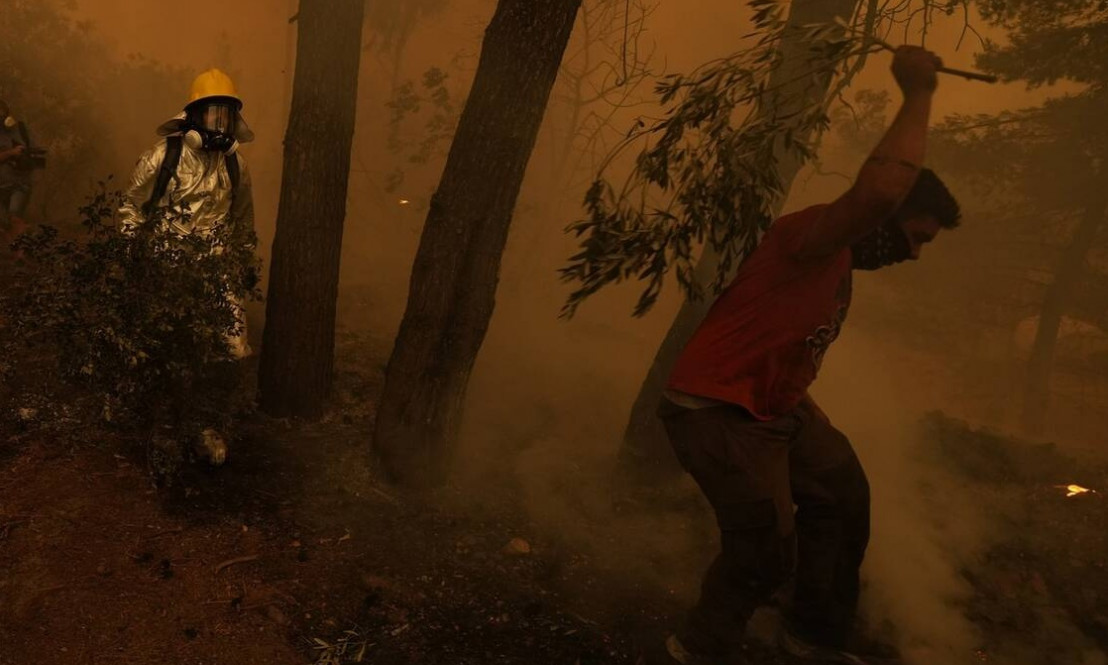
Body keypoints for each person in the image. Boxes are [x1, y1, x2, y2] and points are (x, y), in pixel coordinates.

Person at [660, 45, 961, 665]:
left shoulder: (840, 267)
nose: (912, 255)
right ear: (893, 214)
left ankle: (811, 639)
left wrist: (804, 407)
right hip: (714, 414)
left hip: (772, 413)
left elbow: (784, 343)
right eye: (914, 237)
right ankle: (699, 648)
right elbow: (878, 192)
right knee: (767, 547)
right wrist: (918, 94)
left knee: (844, 497)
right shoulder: (815, 237)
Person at [118, 68, 257, 466]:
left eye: (225, 116)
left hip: (217, 272)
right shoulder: (165, 156)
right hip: (168, 266)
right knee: (168, 349)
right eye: (212, 114)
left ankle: (204, 426)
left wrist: (243, 261)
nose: (219, 124)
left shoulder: (236, 166)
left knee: (229, 351)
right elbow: (131, 208)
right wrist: (135, 257)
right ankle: (163, 429)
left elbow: (244, 220)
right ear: (193, 117)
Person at [0, 99, 33, 238]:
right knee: (6, 222)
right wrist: (11, 153)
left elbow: (34, 152)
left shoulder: (19, 129)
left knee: (14, 217)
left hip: (19, 183)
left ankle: (19, 252)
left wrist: (23, 155)